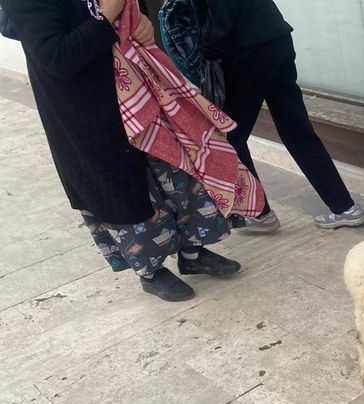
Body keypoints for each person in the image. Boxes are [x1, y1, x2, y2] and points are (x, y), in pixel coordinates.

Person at [1, 0, 243, 302]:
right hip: (87, 110)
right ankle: (151, 272)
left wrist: (141, 19)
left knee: (177, 176)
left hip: (140, 95)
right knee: (124, 193)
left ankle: (193, 254)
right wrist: (110, 13)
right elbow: (57, 58)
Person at [194, 0, 364, 233]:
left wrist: (204, 51)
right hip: (276, 38)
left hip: (244, 51)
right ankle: (345, 207)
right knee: (297, 130)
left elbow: (222, 16)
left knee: (231, 137)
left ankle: (260, 214)